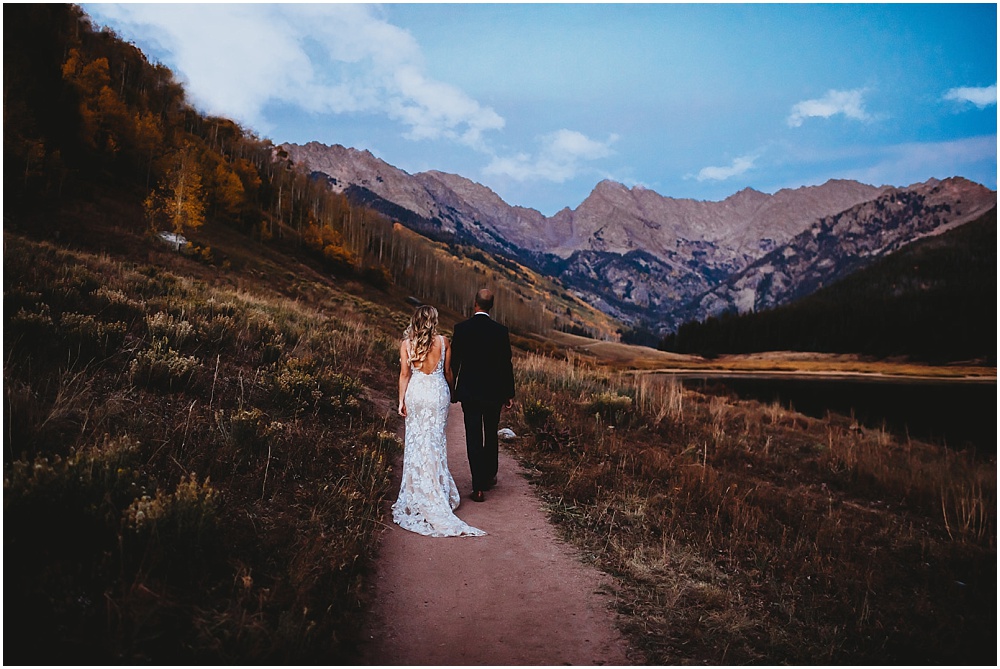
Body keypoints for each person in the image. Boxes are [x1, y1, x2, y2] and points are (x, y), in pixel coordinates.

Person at [392, 305, 485, 537]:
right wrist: (452, 392)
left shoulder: (406, 344)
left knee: (416, 443)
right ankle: (437, 491)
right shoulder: (443, 342)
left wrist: (401, 400)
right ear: (433, 321)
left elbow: (404, 374)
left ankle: (417, 491)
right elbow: (447, 372)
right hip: (436, 394)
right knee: (435, 441)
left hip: (416, 393)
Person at [449, 289, 515, 503]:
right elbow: (506, 365)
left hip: (469, 392)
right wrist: (509, 393)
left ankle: (477, 486)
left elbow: (454, 363)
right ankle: (489, 475)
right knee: (491, 433)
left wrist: (452, 391)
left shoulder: (462, 329)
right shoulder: (500, 331)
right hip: (494, 392)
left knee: (473, 436)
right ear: (491, 306)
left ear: (475, 303)